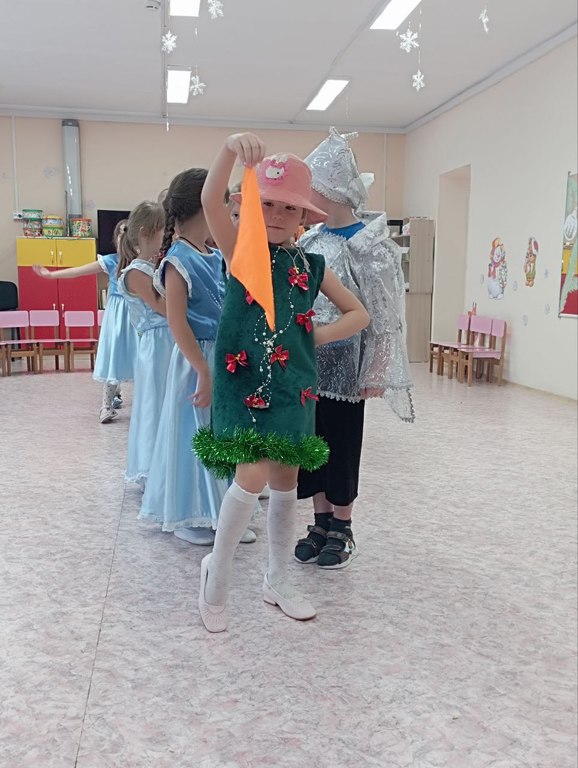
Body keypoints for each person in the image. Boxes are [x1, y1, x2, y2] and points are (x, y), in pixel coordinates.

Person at [193, 132, 370, 632]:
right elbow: (209, 198)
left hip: (294, 388)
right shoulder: (240, 251)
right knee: (250, 476)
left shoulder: (312, 266)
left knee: (287, 480)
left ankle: (277, 578)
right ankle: (217, 574)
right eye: (267, 203)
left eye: (288, 207)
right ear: (249, 205)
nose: (276, 214)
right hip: (243, 385)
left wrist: (312, 336)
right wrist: (229, 149)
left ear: (303, 217)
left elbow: (359, 313)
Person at [294, 127, 414, 569]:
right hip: (309, 362)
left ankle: (342, 527)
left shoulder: (370, 246)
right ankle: (320, 521)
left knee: (341, 445)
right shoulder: (309, 241)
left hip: (348, 365)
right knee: (312, 444)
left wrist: (376, 369)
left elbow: (384, 314)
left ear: (332, 189)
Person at [139, 169, 256, 546]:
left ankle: (222, 511)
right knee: (195, 434)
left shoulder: (213, 254)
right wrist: (202, 370)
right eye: (222, 202)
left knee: (221, 433)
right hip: (195, 360)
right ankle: (188, 512)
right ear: (205, 206)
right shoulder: (178, 259)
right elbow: (176, 322)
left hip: (219, 357)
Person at [33, 219, 139, 423]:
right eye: (120, 234)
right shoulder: (111, 261)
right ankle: (107, 405)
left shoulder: (141, 263)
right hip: (117, 317)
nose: (123, 238)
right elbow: (79, 271)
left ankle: (137, 402)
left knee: (137, 356)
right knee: (114, 355)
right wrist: (51, 275)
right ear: (115, 240)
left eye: (127, 234)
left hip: (137, 314)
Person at [117, 201, 173, 488]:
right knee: (155, 403)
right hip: (156, 344)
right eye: (162, 230)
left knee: (167, 403)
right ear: (145, 233)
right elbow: (164, 308)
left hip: (167, 342)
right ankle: (152, 470)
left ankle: (168, 465)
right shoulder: (137, 272)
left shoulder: (153, 267)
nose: (165, 236)